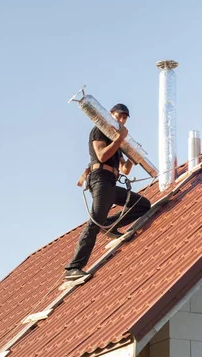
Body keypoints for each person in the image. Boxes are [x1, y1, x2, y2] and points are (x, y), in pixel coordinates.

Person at [64, 103, 151, 280]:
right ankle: (74, 267)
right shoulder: (100, 130)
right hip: (100, 180)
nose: (121, 120)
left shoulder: (116, 141)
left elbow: (124, 170)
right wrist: (120, 139)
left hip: (110, 183)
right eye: (118, 116)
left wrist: (134, 157)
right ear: (109, 115)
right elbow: (102, 155)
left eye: (124, 118)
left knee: (142, 204)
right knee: (95, 220)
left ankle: (110, 225)